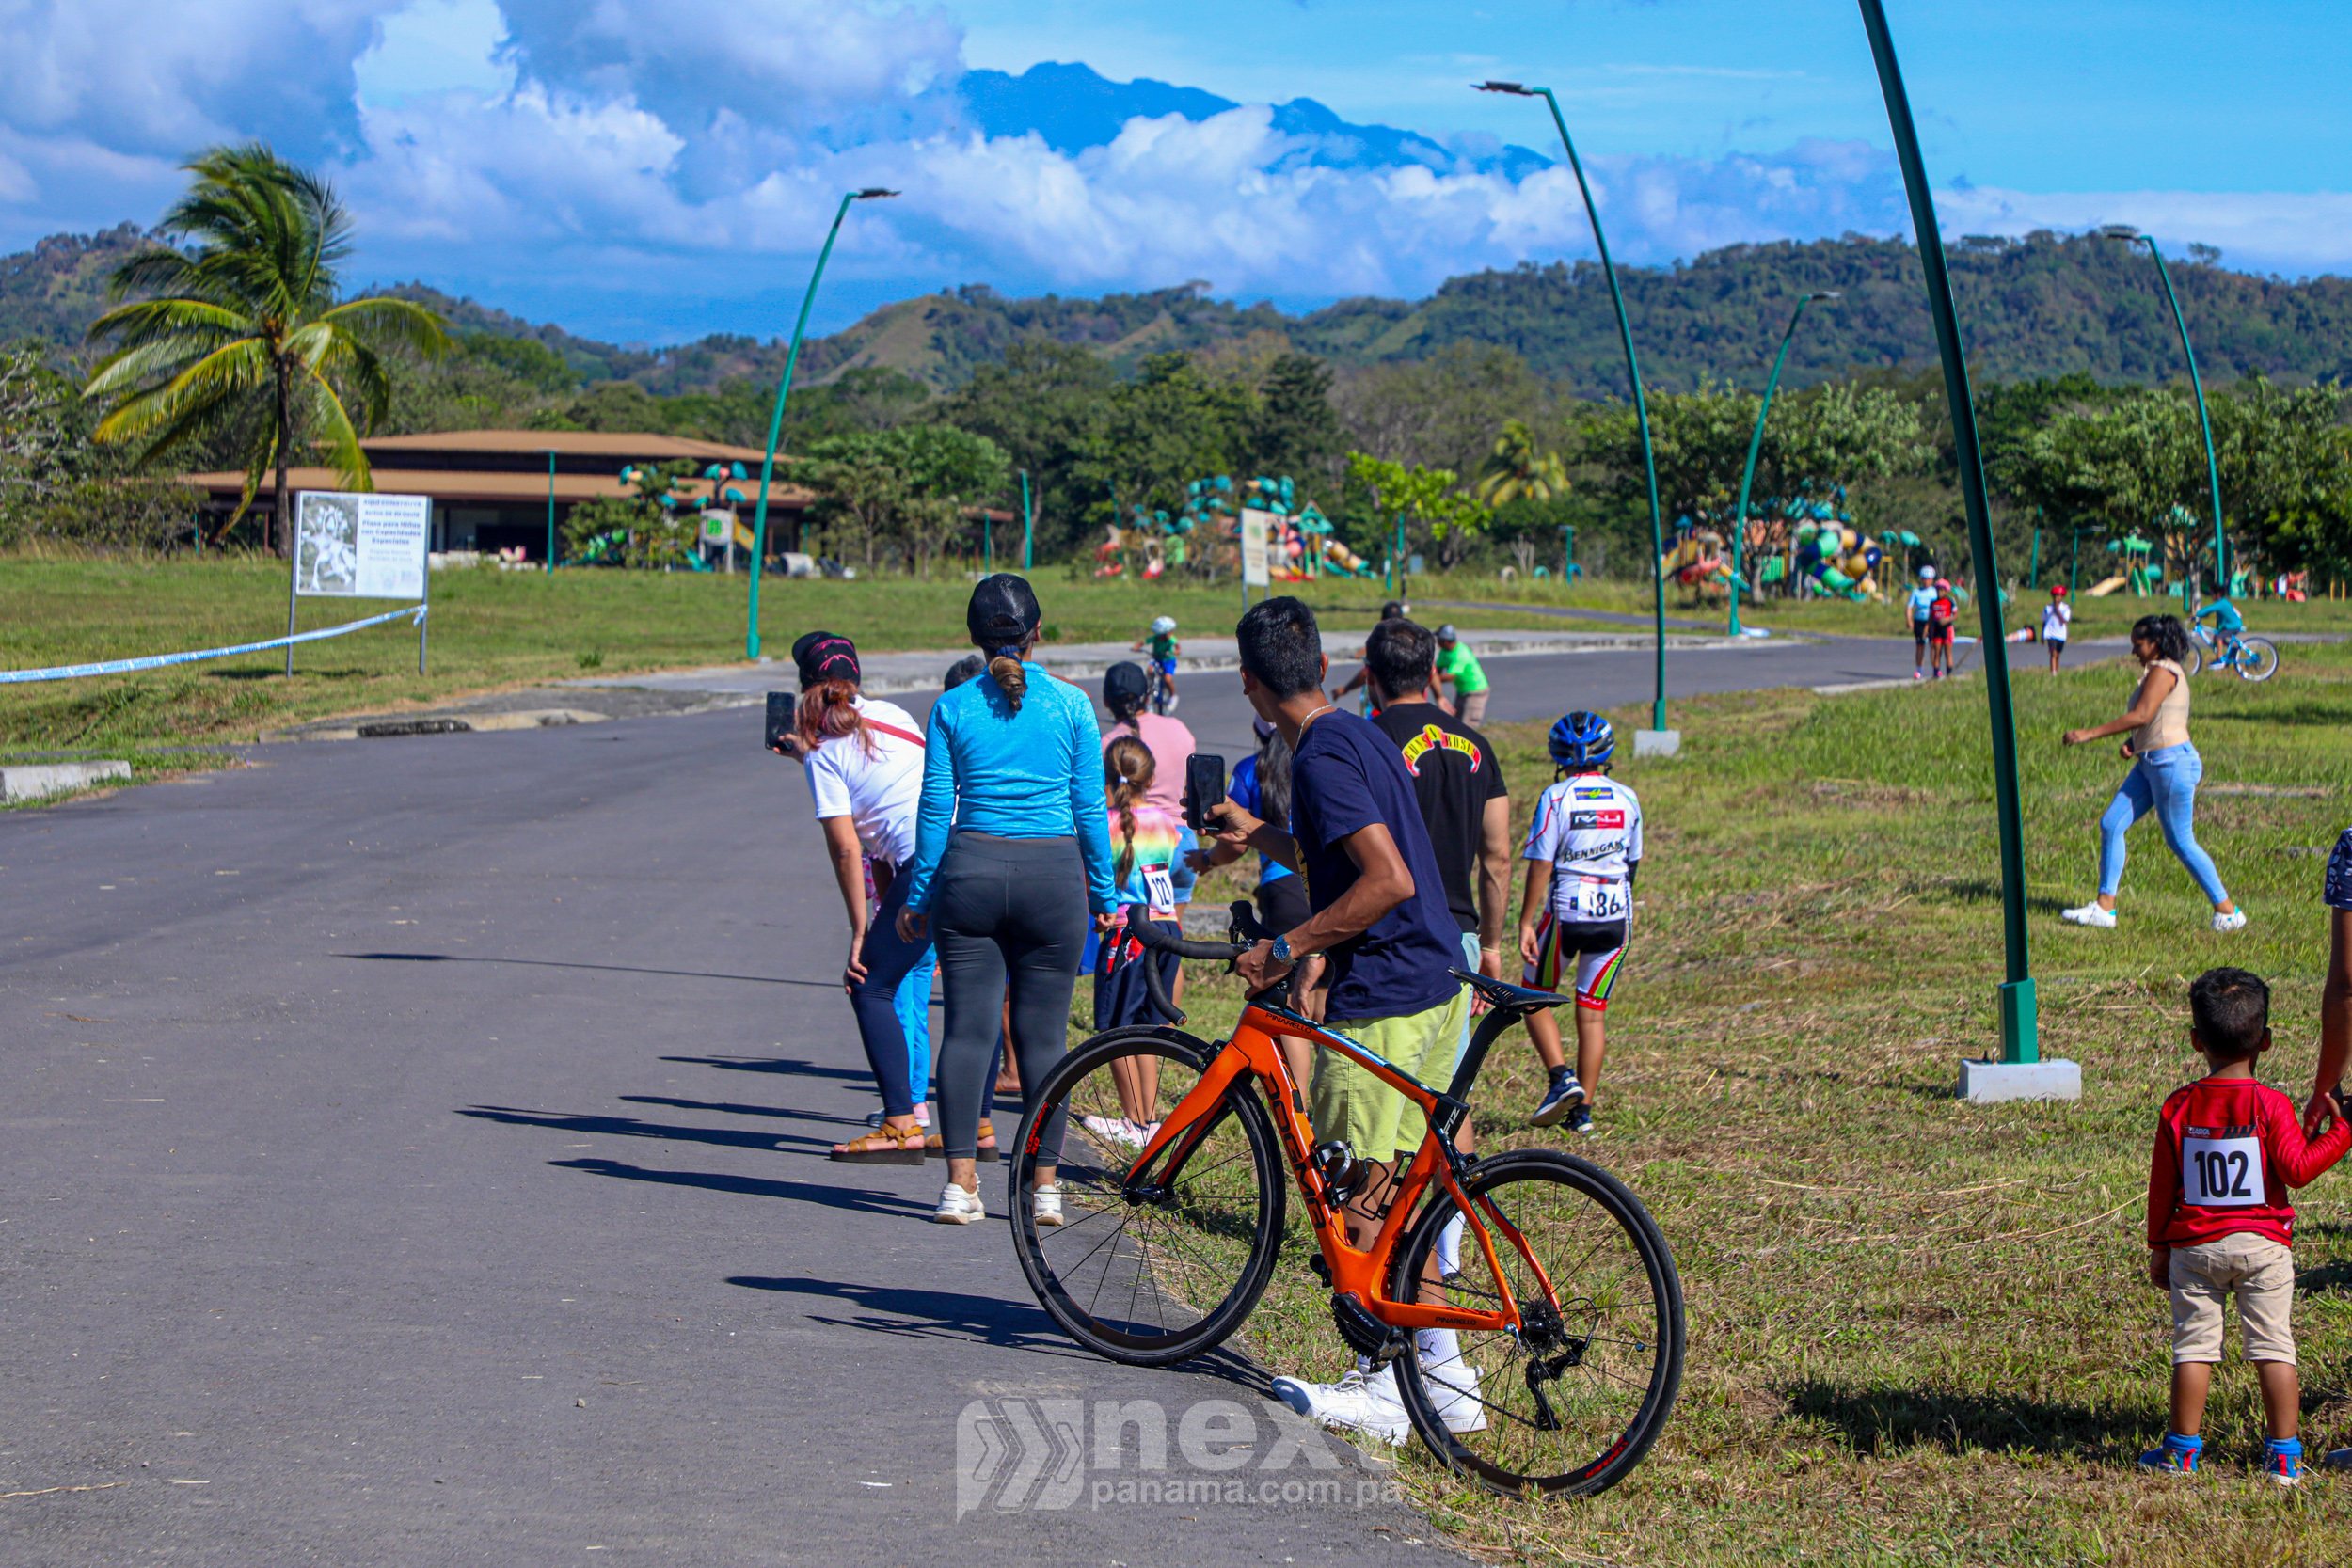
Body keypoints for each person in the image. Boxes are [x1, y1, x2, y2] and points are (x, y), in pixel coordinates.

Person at [1205, 596, 1479, 1445]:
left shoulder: (1320, 759)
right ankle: (1446, 1378)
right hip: (1438, 980)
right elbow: (1340, 853)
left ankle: (1384, 1388)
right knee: (1401, 1197)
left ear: (1248, 684)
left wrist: (1287, 947)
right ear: (1325, 667)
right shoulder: (1359, 734)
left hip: (1386, 997)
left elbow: (1386, 879)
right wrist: (1258, 833)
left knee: (1356, 1198)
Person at [898, 576, 1120, 1225]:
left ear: (972, 637)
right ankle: (1045, 1187)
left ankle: (960, 1185)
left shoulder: (952, 707)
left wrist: (919, 896)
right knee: (1044, 1036)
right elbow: (1089, 808)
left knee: (967, 1031)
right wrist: (1104, 893)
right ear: (1037, 632)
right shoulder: (1073, 705)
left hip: (970, 874)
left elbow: (934, 810)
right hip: (1053, 879)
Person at [2140, 968, 2348, 1485]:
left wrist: (2160, 1247)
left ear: (2196, 1041)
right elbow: (2297, 1170)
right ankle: (2285, 1458)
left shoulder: (2178, 1106)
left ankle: (2180, 1454)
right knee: (2273, 1347)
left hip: (2195, 1249)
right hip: (2264, 1248)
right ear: (2267, 1041)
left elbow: (2162, 1189)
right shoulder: (2270, 1104)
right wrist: (2343, 1131)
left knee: (2193, 1348)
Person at [770, 631, 931, 1164]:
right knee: (971, 984)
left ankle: (900, 1123)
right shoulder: (895, 716)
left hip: (925, 870)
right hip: (970, 850)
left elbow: (846, 848)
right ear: (856, 680)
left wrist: (861, 932)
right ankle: (978, 1128)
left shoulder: (822, 753)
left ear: (805, 689)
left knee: (869, 986)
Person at [1361, 617, 1513, 1064]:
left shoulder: (1369, 743)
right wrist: (1490, 945)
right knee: (1444, 1091)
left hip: (1391, 941)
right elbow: (1498, 857)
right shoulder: (1478, 744)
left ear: (1370, 676)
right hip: (1460, 936)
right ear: (1431, 673)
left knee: (1383, 1083)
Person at [2060, 613, 2245, 932]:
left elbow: (2142, 714)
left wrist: (2089, 733)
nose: (2134, 651)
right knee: (2111, 824)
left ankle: (2228, 912)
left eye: (2139, 644)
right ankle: (2104, 909)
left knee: (2181, 841)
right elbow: (2161, 716)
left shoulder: (2163, 670)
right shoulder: (2158, 670)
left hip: (2171, 764)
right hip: (2151, 762)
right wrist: (2134, 743)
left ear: (2156, 643)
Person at [1517, 712, 1643, 1135]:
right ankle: (1583, 1115)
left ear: (1558, 757)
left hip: (1567, 911)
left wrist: (1527, 921)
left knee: (1532, 996)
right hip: (1616, 916)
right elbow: (1632, 863)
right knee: (1592, 1014)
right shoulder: (1628, 797)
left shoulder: (1556, 796)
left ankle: (1560, 1077)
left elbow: (1541, 862)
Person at [1084, 736, 1197, 1148]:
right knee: (1148, 1028)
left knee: (1116, 1029)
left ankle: (1133, 1120)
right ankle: (1146, 1120)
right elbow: (1177, 865)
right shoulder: (1167, 823)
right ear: (1150, 778)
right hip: (1166, 930)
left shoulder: (1102, 824)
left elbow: (1094, 876)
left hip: (1127, 934)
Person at [1431, 625, 1490, 728]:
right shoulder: (1445, 652)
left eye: (1439, 639)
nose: (1437, 642)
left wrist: (1432, 679)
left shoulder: (1460, 654)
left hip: (1475, 692)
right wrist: (1433, 676)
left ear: (1445, 641)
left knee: (1467, 725)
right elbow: (1437, 669)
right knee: (1456, 722)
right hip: (1462, 691)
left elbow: (1451, 676)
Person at [1132, 614, 1181, 713]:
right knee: (1150, 670)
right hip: (1156, 658)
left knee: (1167, 679)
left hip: (1168, 660)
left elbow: (1177, 647)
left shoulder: (1171, 639)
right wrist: (1136, 647)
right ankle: (1150, 686)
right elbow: (1144, 642)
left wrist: (1175, 652)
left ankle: (1172, 697)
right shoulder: (1155, 638)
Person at [1907, 566, 1941, 680]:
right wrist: (1909, 620)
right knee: (1920, 646)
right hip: (1919, 621)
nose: (1926, 581)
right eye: (1924, 579)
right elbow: (1909, 607)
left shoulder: (1934, 592)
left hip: (1932, 621)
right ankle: (1919, 670)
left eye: (1929, 579)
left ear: (1932, 580)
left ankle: (1935, 669)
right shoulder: (1916, 592)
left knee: (1933, 645)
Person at [1926, 578, 1959, 679]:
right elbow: (1930, 617)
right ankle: (1936, 675)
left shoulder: (1950, 601)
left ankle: (1949, 676)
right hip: (1937, 629)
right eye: (1938, 590)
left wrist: (1947, 620)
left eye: (1941, 590)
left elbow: (1956, 615)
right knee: (1937, 653)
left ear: (1945, 591)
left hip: (1947, 629)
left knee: (1948, 653)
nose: (1939, 592)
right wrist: (1927, 629)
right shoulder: (1933, 602)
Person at [2042, 584, 2072, 674]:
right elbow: (2044, 621)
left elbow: (2064, 621)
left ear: (2062, 597)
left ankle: (2056, 671)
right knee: (2053, 653)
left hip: (2060, 634)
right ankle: (2053, 673)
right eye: (2054, 596)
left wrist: (2057, 610)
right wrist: (2042, 635)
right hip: (2050, 634)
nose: (2056, 598)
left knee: (2058, 655)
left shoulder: (2065, 608)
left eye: (2058, 596)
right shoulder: (2048, 608)